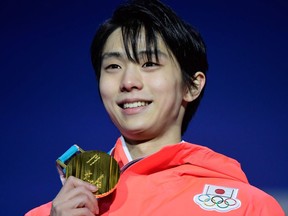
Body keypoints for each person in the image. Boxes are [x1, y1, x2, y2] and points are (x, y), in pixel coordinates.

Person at [25, 0, 284, 215]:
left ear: (191, 86)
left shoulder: (250, 207)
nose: (128, 82)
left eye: (149, 64)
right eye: (113, 67)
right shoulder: (52, 213)